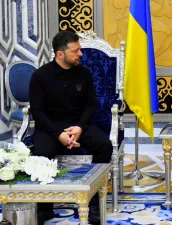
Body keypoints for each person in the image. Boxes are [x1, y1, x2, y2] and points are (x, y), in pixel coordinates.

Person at [29, 30, 113, 225]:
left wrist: (80, 128)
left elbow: (91, 105)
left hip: (78, 125)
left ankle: (93, 204)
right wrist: (58, 134)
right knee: (41, 151)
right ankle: (45, 207)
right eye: (75, 51)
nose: (81, 54)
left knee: (104, 145)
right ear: (60, 54)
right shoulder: (40, 76)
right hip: (51, 127)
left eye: (79, 50)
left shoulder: (84, 73)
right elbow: (38, 112)